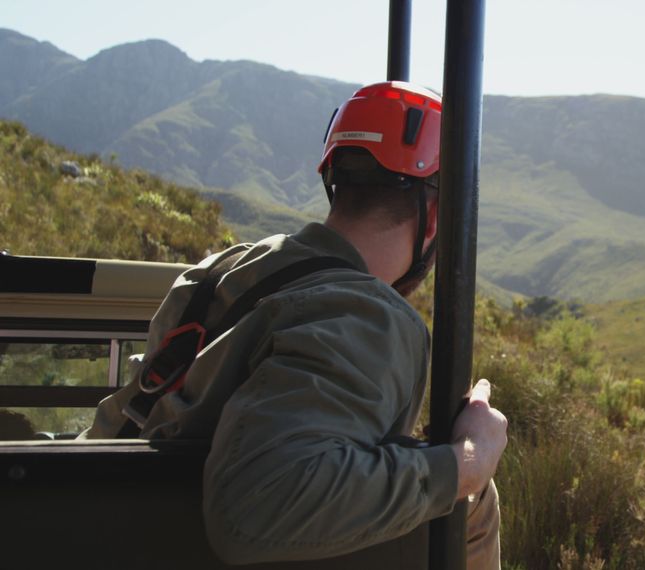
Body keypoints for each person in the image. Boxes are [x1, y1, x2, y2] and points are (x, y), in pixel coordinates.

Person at [86, 81, 507, 568]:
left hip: (88, 529)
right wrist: (468, 465)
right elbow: (252, 513)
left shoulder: (216, 274)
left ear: (336, 180)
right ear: (434, 218)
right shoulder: (366, 314)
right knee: (476, 501)